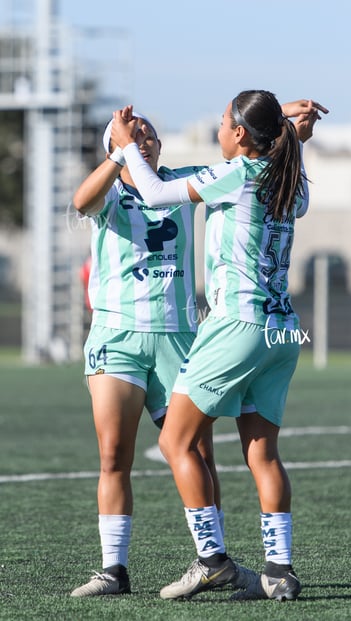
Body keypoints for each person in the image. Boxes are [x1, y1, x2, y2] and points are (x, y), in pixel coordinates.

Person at [110, 91, 328, 601]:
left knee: (175, 442)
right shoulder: (288, 180)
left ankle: (212, 561)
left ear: (238, 136)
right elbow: (281, 150)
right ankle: (279, 572)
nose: (219, 127)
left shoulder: (239, 172)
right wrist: (291, 134)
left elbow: (155, 194)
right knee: (263, 453)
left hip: (238, 326)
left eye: (225, 120)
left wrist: (126, 148)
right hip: (283, 332)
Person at [69, 112, 236, 597]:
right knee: (113, 456)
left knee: (200, 453)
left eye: (148, 130)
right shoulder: (109, 192)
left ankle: (213, 558)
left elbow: (241, 162)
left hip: (179, 339)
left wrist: (276, 118)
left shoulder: (182, 183)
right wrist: (120, 154)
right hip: (117, 338)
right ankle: (113, 571)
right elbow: (81, 202)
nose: (143, 134)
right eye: (131, 130)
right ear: (114, 147)